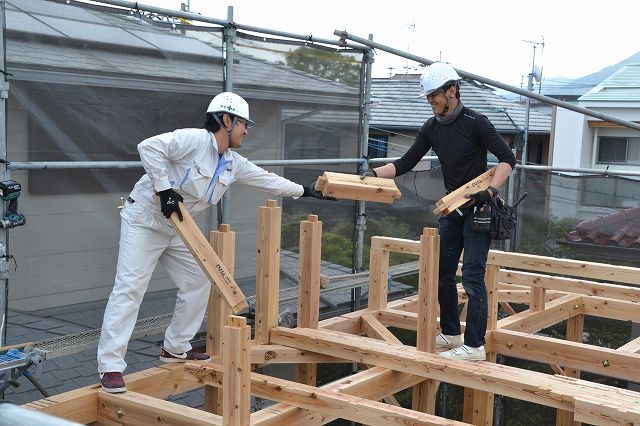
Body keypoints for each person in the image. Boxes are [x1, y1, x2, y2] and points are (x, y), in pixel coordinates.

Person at [98, 92, 332, 393]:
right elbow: (149, 146)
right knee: (130, 288)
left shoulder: (233, 163)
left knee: (199, 280)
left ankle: (175, 347)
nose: (247, 130)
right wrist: (164, 188)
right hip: (145, 219)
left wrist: (306, 190)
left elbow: (267, 179)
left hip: (178, 225)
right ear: (226, 120)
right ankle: (110, 366)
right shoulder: (194, 140)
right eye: (243, 124)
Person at [362, 62, 516, 361]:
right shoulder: (431, 127)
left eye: (435, 95)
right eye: (428, 96)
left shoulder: (476, 122)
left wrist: (491, 190)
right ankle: (451, 332)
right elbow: (406, 162)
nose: (431, 100)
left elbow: (507, 159)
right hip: (452, 208)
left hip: (479, 207)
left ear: (452, 91)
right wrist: (371, 174)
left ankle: (474, 346)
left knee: (471, 276)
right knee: (442, 273)